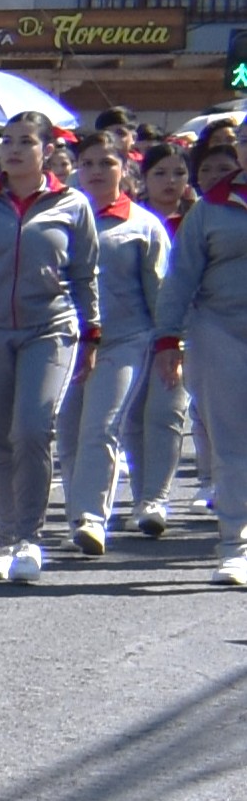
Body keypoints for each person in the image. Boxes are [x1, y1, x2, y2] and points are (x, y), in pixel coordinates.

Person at [0, 103, 96, 581]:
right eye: (7, 141)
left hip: (50, 329)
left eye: (26, 142)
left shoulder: (72, 204)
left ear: (48, 150)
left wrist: (93, 333)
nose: (14, 150)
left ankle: (30, 540)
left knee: (33, 430)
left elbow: (85, 273)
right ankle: (6, 541)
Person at [72, 126, 178, 546]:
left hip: (125, 340)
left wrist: (171, 342)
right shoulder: (64, 216)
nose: (96, 171)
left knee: (102, 426)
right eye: (87, 163)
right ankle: (77, 514)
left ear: (125, 167)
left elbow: (161, 291)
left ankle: (92, 517)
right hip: (68, 341)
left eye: (107, 162)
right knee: (68, 433)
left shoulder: (144, 224)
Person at [167, 122, 247, 589]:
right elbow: (180, 276)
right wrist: (167, 339)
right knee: (232, 443)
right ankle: (236, 545)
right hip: (220, 332)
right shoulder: (210, 208)